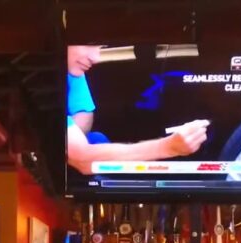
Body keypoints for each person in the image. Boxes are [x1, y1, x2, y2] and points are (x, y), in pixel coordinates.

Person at [66, 45, 209, 175]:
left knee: (97, 139)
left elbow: (84, 113)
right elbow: (82, 158)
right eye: (88, 44)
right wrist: (169, 147)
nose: (96, 58)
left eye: (100, 47)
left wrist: (71, 138)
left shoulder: (74, 71)